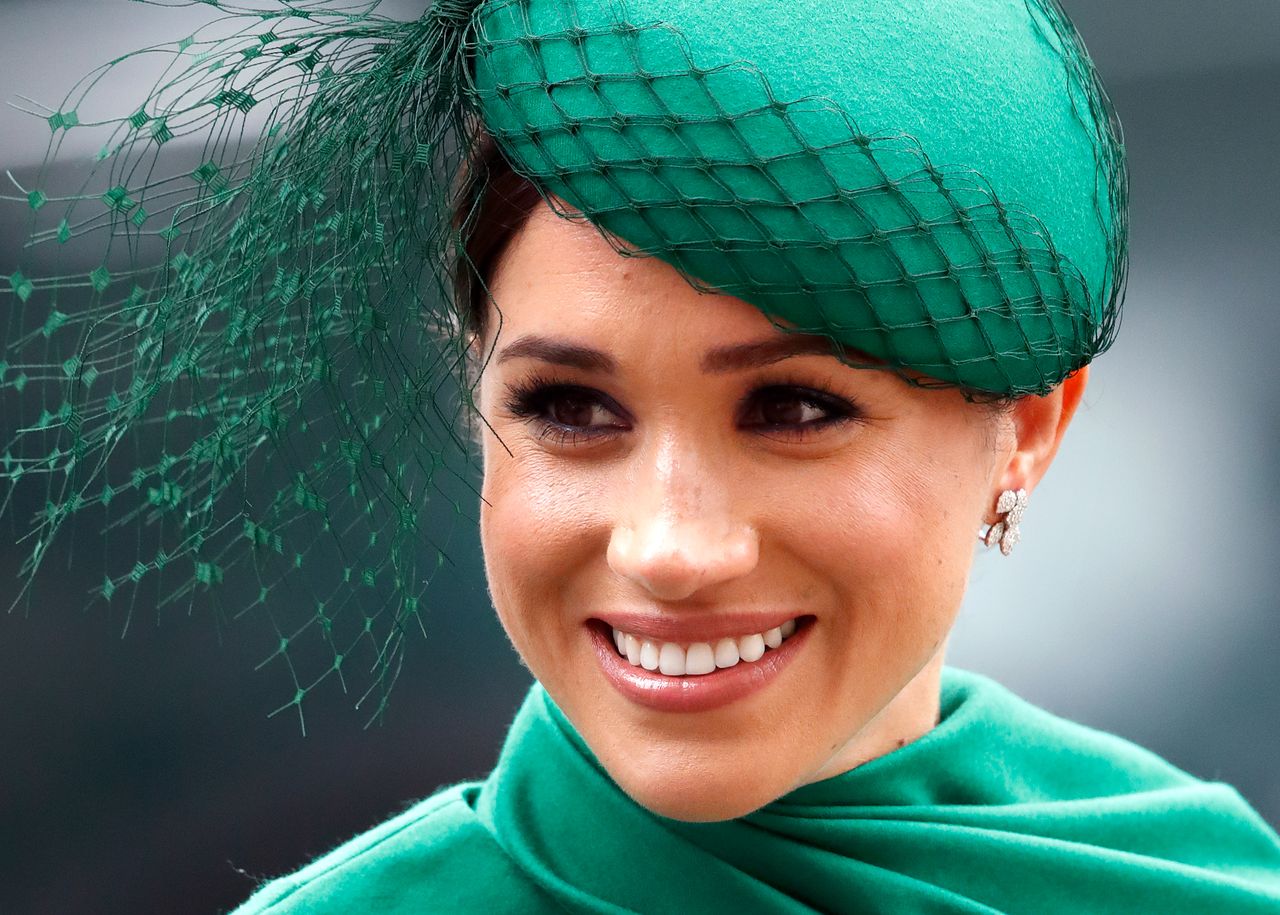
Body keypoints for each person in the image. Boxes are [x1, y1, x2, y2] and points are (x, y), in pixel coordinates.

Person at [3, 0, 1278, 911]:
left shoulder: (1192, 884)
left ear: (1030, 429)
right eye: (570, 408)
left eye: (792, 410)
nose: (669, 548)